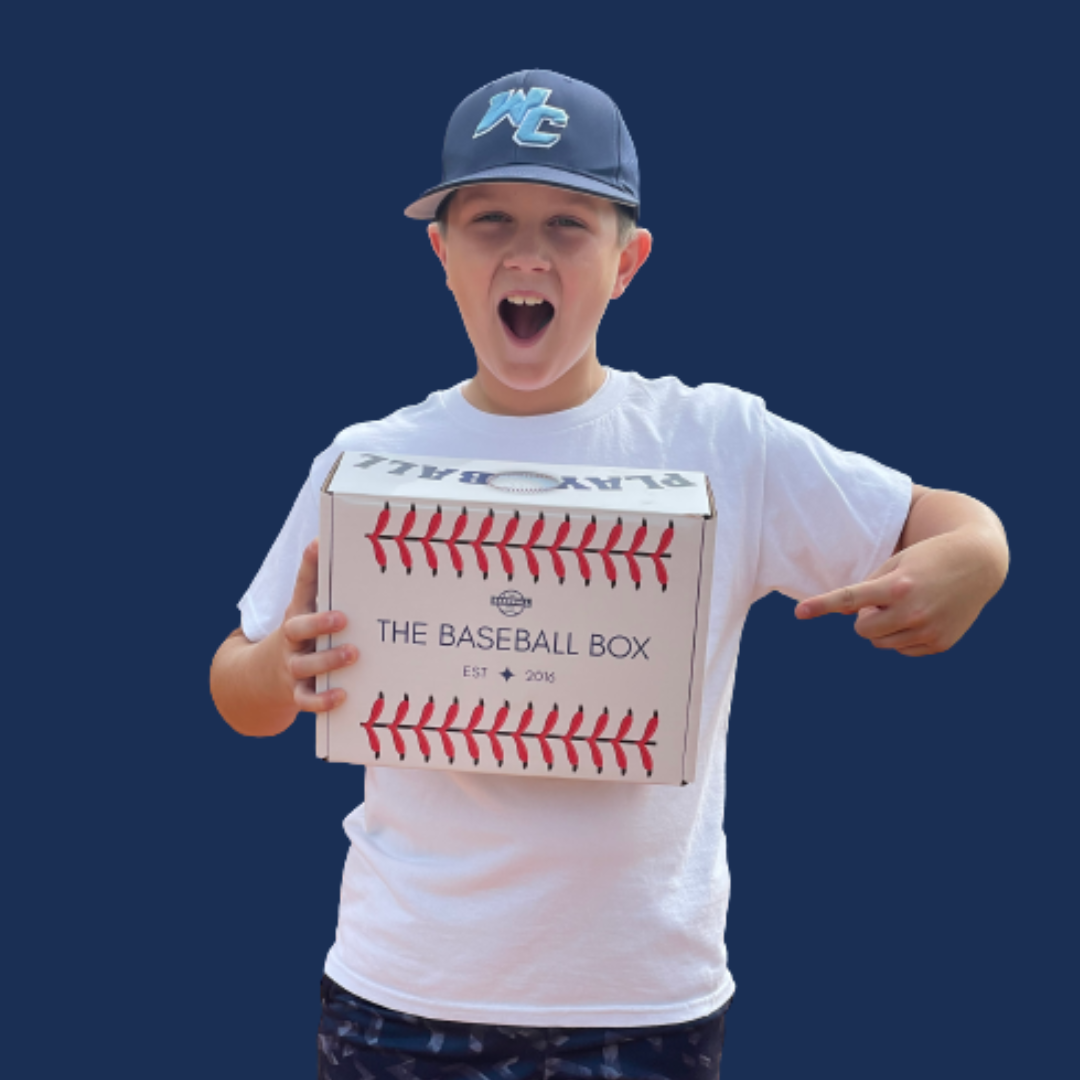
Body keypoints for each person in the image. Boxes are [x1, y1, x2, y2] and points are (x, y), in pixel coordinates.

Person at [209, 70, 1009, 1079]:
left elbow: (948, 523)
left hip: (645, 1002)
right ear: (442, 254)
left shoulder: (720, 441)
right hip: (402, 990)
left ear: (627, 260)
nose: (527, 253)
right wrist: (280, 669)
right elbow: (235, 683)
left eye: (569, 224)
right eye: (490, 220)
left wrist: (978, 557)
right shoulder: (365, 459)